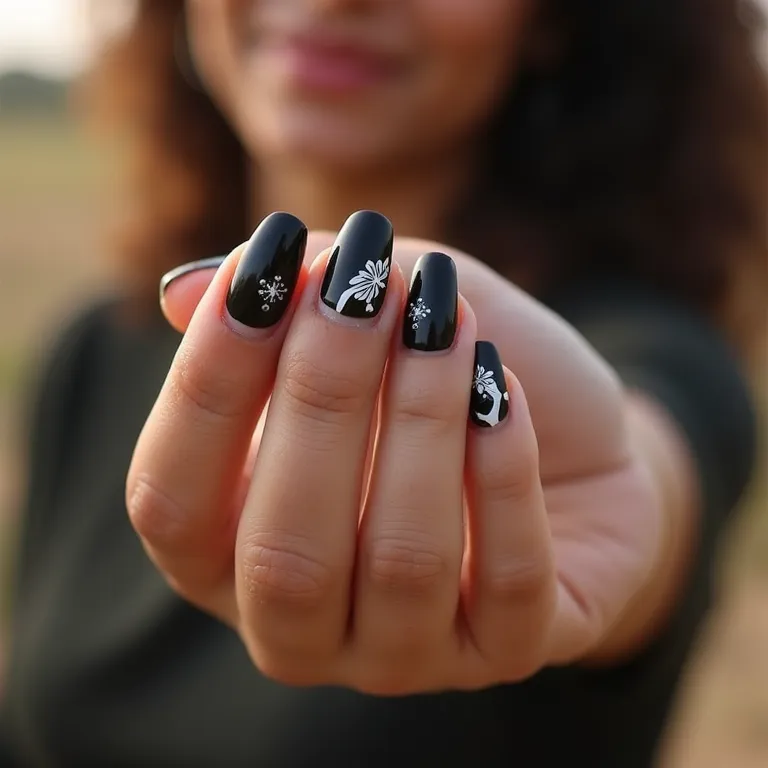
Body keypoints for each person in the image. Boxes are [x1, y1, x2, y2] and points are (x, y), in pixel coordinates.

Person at [2, 1, 766, 766]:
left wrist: (625, 496)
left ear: (551, 21)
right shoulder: (96, 350)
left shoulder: (642, 352)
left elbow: (648, 455)